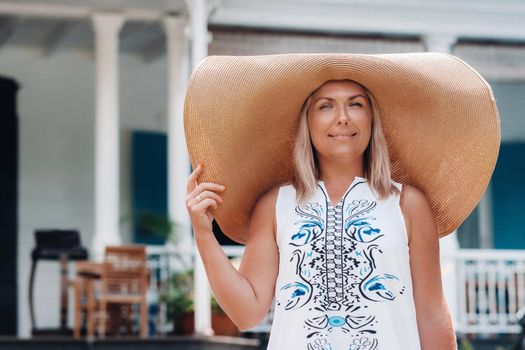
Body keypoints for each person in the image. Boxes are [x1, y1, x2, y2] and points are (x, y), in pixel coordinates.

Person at [184, 53, 500, 350]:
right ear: (306, 122)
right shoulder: (274, 205)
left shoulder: (408, 205)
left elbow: (431, 313)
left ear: (372, 119)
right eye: (326, 106)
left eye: (356, 104)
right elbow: (247, 312)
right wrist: (203, 235)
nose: (343, 118)